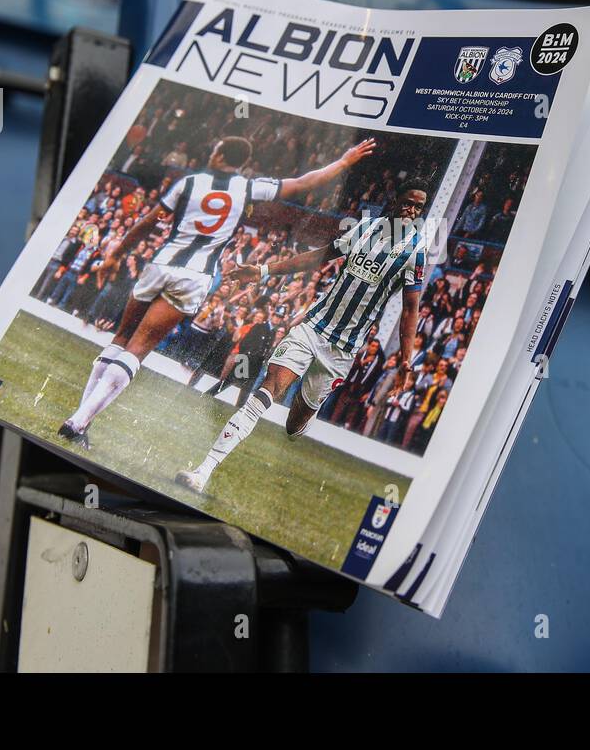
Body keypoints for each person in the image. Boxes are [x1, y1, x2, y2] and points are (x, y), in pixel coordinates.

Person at [55, 134, 376, 449]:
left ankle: (80, 420)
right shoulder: (247, 187)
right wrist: (344, 161)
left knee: (122, 338)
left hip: (161, 264)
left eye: (217, 150)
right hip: (194, 276)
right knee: (137, 349)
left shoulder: (188, 183)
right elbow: (305, 182)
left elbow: (150, 222)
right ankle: (79, 421)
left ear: (222, 157)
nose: (212, 152)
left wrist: (115, 254)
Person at [177, 182, 428, 492]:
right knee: (266, 393)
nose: (411, 210)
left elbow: (410, 309)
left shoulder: (415, 251)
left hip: (342, 350)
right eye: (407, 202)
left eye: (418, 208)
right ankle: (203, 471)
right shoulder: (364, 229)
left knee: (294, 426)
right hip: (312, 327)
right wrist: (264, 271)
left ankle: (307, 408)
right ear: (395, 200)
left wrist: (406, 360)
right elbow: (317, 257)